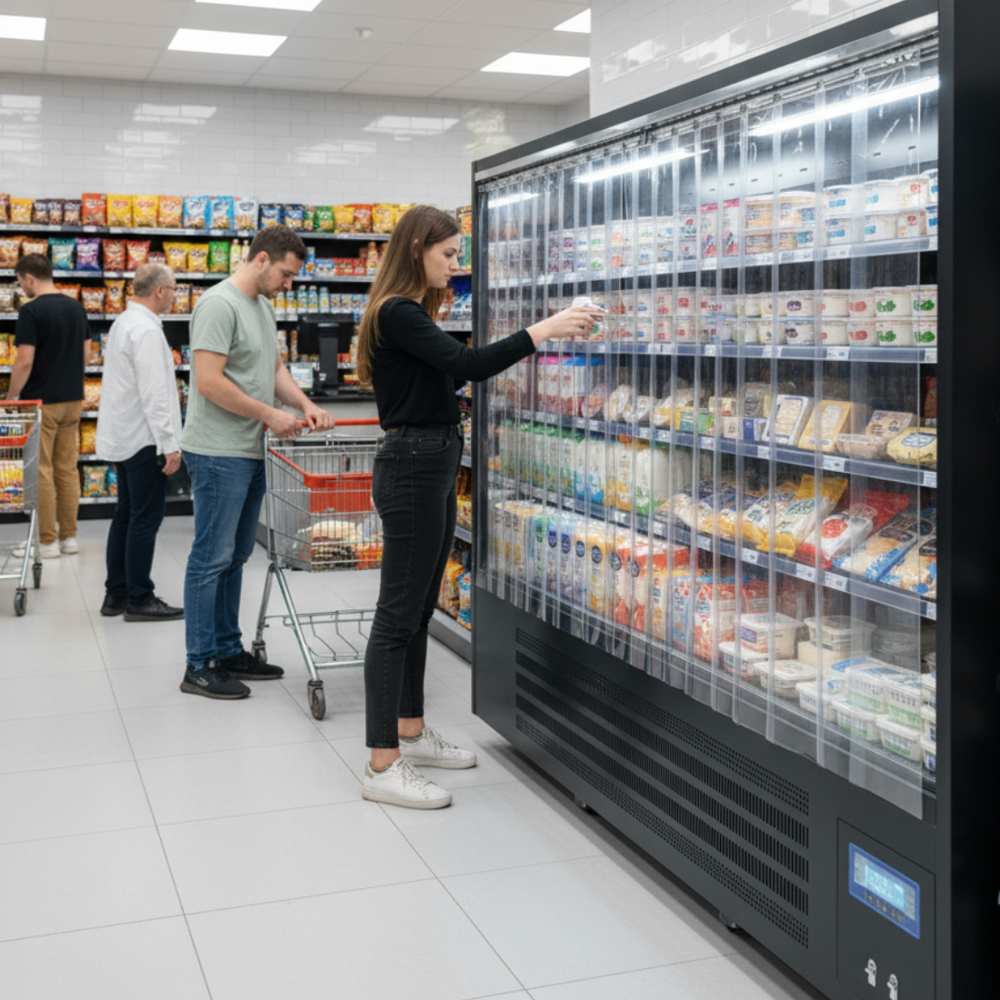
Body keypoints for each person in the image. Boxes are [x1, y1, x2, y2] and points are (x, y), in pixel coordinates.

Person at [356, 204, 603, 809]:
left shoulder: (414, 314)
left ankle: (410, 733)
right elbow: (467, 365)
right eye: (447, 254)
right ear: (417, 249)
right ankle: (382, 763)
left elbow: (446, 380)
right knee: (396, 617)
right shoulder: (398, 311)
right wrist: (545, 329)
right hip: (413, 466)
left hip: (433, 461)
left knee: (419, 611)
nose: (454, 265)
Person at [179, 224, 335, 700]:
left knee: (236, 556)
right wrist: (269, 414)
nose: (289, 284)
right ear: (262, 258)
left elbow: (273, 369)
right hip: (217, 451)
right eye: (286, 274)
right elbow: (208, 381)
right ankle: (198, 664)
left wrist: (303, 404)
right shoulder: (218, 305)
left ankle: (227, 650)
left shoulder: (263, 307)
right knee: (211, 557)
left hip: (249, 449)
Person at [95, 263, 184, 621]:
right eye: (174, 289)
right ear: (160, 290)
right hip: (145, 439)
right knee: (146, 518)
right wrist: (169, 443)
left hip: (124, 435)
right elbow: (155, 395)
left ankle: (115, 595)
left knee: (126, 515)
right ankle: (140, 598)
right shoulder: (146, 330)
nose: (176, 296)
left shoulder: (124, 322)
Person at [5, 253, 90, 559]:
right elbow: (87, 354)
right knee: (67, 469)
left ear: (29, 278)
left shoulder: (31, 311)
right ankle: (69, 538)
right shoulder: (76, 307)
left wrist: (11, 397)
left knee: (41, 471)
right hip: (73, 400)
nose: (22, 288)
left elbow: (24, 361)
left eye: (20, 282)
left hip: (42, 402)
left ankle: (47, 541)